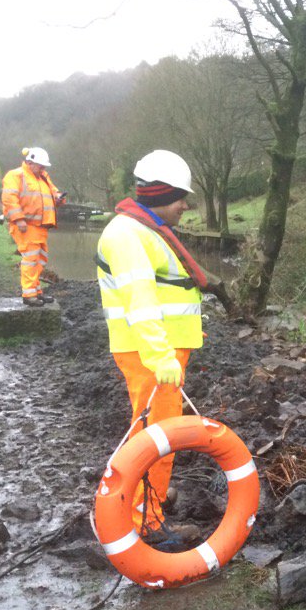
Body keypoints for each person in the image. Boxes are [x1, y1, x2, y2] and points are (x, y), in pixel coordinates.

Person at [96, 149, 207, 549]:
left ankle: (150, 501)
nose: (186, 205)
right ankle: (147, 522)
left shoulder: (144, 229)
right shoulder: (129, 234)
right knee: (155, 438)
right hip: (150, 355)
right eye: (181, 196)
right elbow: (140, 301)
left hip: (159, 352)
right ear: (162, 193)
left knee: (159, 433)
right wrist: (161, 357)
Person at [1, 147, 65, 306]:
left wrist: (59, 199)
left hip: (41, 227)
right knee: (30, 260)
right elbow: (9, 199)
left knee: (40, 259)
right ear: (29, 162)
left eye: (44, 166)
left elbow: (54, 192)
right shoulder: (16, 175)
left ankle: (36, 291)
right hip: (26, 226)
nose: (43, 169)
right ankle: (29, 295)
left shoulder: (43, 177)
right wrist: (19, 219)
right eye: (41, 166)